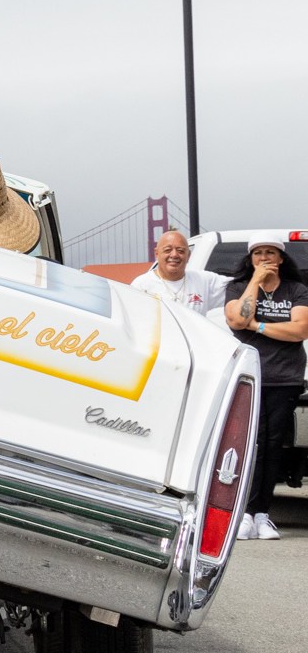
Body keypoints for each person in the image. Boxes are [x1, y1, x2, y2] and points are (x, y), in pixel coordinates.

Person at [223, 240, 308, 540]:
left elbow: (300, 330)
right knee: (252, 444)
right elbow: (238, 318)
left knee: (273, 445)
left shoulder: (296, 290)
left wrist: (258, 326)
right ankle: (244, 514)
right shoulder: (239, 288)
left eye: (269, 253)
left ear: (281, 258)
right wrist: (256, 283)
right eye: (258, 254)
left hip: (285, 377)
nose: (264, 258)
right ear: (251, 259)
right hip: (252, 376)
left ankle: (263, 514)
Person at [131, 229, 228, 317]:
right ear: (157, 253)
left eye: (180, 251)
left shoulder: (203, 280)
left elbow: (238, 287)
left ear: (188, 255)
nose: (174, 255)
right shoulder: (141, 286)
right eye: (168, 250)